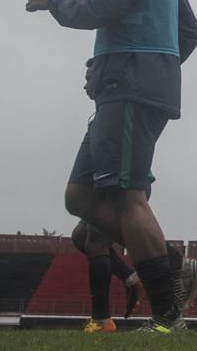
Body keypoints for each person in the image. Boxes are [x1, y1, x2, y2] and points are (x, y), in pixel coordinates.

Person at [26, 0, 197, 333]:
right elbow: (189, 32)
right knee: (80, 197)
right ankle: (170, 264)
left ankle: (168, 316)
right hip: (130, 83)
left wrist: (53, 2)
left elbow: (101, 5)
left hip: (129, 86)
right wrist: (141, 65)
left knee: (127, 197)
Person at [71, 63, 145, 333]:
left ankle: (101, 320)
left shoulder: (115, 109)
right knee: (81, 237)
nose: (85, 84)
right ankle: (131, 278)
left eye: (89, 77)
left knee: (95, 243)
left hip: (115, 181)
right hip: (101, 182)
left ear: (102, 77)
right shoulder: (102, 112)